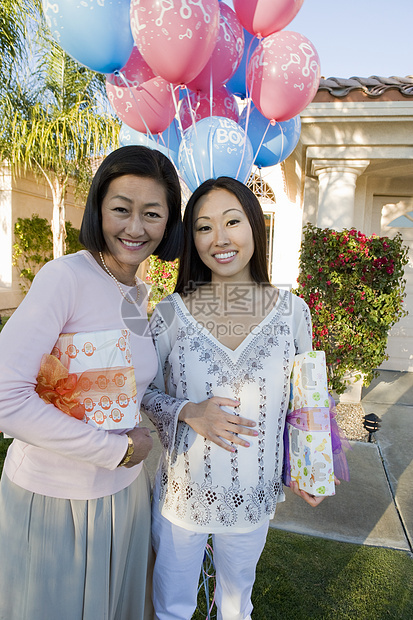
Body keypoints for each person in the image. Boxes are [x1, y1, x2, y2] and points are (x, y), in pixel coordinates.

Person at [0, 145, 183, 620]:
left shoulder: (137, 292)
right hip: (57, 503)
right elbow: (6, 398)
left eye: (152, 214)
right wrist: (115, 451)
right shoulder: (66, 277)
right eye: (121, 209)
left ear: (169, 223)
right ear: (99, 207)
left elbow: (124, 391)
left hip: (123, 497)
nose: (135, 227)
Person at [142, 176, 330, 620]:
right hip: (182, 498)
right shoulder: (172, 312)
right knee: (172, 606)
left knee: (236, 605)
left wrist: (313, 469)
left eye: (233, 221)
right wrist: (188, 411)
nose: (220, 239)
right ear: (192, 239)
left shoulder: (292, 312)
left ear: (255, 227)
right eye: (204, 227)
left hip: (253, 493)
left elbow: (308, 397)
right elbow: (141, 392)